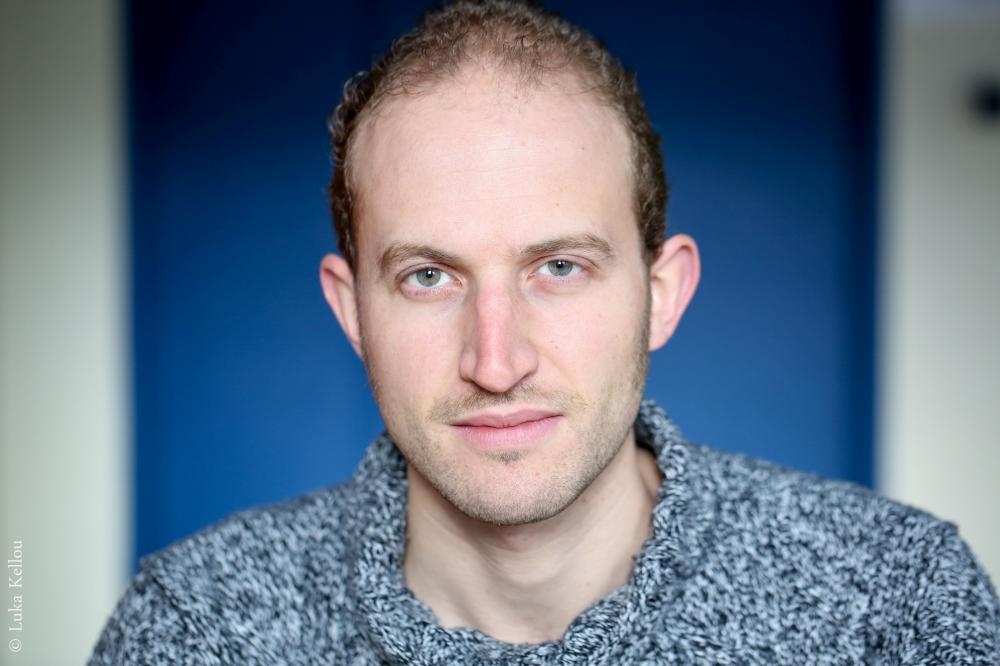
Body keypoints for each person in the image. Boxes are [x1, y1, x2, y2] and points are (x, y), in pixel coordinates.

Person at [89, 1, 999, 663]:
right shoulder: (195, 627)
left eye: (558, 268)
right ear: (351, 311)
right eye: (429, 276)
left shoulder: (895, 606)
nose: (497, 362)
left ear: (662, 294)